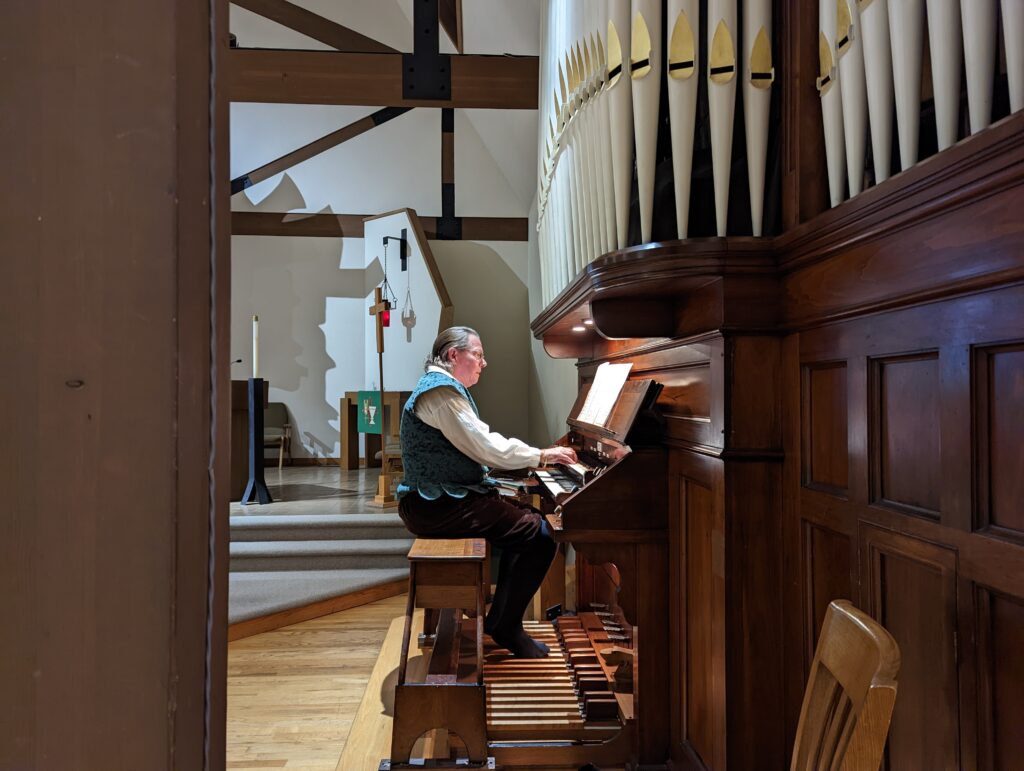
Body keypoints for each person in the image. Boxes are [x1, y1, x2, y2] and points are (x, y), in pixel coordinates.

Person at [397, 326, 578, 659]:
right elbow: (484, 445)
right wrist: (540, 456)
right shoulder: (440, 392)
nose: (484, 362)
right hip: (435, 505)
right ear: (454, 355)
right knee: (539, 532)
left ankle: (503, 618)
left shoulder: (442, 388)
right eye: (477, 354)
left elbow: (477, 447)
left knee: (532, 521)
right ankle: (506, 624)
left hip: (439, 500)